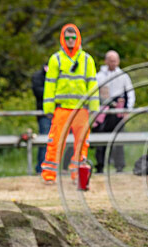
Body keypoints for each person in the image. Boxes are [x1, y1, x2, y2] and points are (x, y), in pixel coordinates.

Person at [40, 24, 99, 183]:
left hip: (81, 109)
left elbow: (92, 85)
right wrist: (48, 107)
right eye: (67, 38)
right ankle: (49, 176)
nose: (70, 40)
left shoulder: (87, 59)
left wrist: (94, 109)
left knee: (82, 143)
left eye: (73, 37)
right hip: (62, 108)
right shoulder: (56, 59)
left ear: (78, 38)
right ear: (63, 39)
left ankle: (78, 175)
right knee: (55, 142)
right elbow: (50, 84)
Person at [94, 50, 135, 173]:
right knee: (101, 138)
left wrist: (128, 110)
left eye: (115, 60)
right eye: (111, 60)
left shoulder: (123, 76)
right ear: (106, 61)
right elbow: (95, 93)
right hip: (103, 111)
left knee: (118, 138)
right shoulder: (99, 76)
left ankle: (119, 166)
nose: (113, 63)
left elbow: (130, 93)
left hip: (118, 111)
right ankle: (100, 165)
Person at [31, 66, 51, 175]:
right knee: (44, 141)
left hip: (58, 113)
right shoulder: (38, 76)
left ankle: (55, 168)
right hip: (44, 114)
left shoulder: (59, 75)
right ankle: (40, 168)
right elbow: (38, 92)